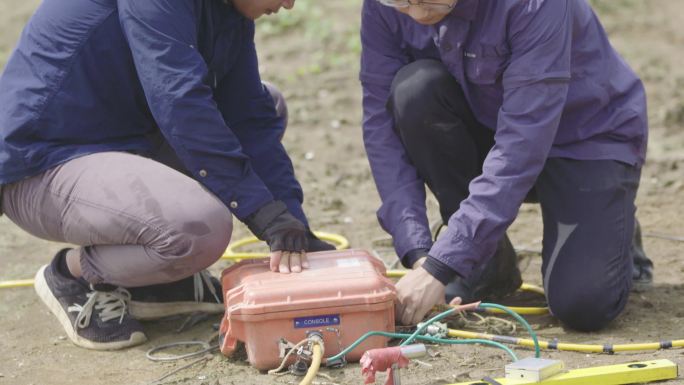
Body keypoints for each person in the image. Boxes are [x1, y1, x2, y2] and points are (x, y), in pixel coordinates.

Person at [0, 0, 334, 350]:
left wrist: (293, 226)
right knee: (199, 227)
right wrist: (263, 213)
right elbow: (180, 102)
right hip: (43, 161)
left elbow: (248, 119)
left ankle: (155, 282)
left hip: (120, 140)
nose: (290, 3)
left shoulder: (228, 12)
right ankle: (72, 274)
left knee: (268, 106)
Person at [360, 0, 654, 331]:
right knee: (414, 92)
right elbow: (381, 127)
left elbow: (522, 144)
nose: (415, 14)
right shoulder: (385, 6)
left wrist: (440, 268)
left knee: (582, 305)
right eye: (400, 2)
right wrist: (420, 254)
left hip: (582, 139)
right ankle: (486, 263)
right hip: (491, 126)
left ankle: (614, 223)